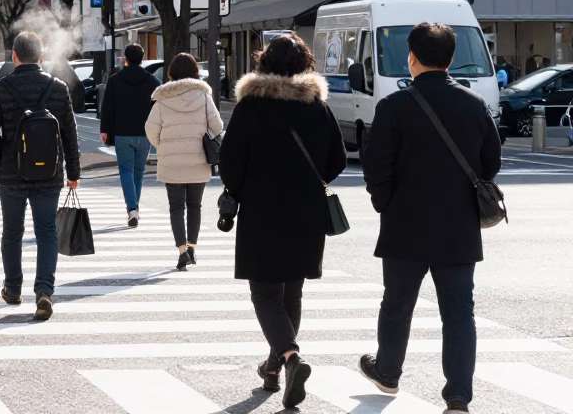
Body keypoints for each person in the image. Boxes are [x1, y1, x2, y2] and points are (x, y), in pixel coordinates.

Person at [359, 23, 501, 413]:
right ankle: (457, 395)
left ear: (412, 56)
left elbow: (376, 167)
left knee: (397, 303)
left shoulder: (392, 106)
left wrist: (385, 203)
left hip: (405, 223)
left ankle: (387, 372)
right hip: (458, 225)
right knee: (458, 311)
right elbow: (492, 163)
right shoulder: (474, 105)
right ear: (451, 57)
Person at [218, 33, 346, 409]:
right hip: (305, 211)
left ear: (263, 63)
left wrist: (239, 190)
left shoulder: (249, 107)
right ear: (304, 64)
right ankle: (274, 368)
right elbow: (336, 160)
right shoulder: (317, 107)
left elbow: (229, 163)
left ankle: (290, 358)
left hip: (262, 210)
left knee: (265, 294)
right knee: (292, 292)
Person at [0, 31, 81, 321]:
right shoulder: (58, 88)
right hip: (49, 174)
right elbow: (70, 134)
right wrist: (72, 171)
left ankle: (12, 289)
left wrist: (1, 156)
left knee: (12, 231)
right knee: (47, 232)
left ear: (14, 56)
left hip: (11, 175)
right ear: (41, 57)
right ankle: (44, 291)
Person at [147, 53, 222, 264]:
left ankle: (181, 250)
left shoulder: (162, 98)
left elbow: (150, 129)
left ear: (172, 72)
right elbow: (217, 126)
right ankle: (192, 248)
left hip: (171, 162)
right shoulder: (204, 97)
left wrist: (163, 146)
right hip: (198, 158)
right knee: (195, 205)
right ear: (195, 72)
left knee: (176, 207)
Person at [100, 44, 160, 227]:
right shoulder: (152, 82)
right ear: (142, 59)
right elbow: (157, 107)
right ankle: (134, 208)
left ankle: (132, 209)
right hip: (144, 133)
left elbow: (108, 107)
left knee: (125, 170)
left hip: (122, 132)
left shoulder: (115, 80)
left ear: (125, 58)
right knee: (138, 171)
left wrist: (105, 129)